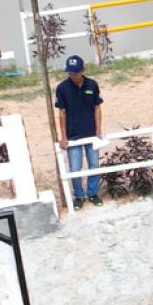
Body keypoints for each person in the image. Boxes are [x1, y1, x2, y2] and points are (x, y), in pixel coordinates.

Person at [53, 55, 104, 211]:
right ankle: (79, 195)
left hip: (90, 133)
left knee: (94, 164)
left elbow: (97, 107)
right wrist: (63, 136)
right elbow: (62, 112)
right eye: (70, 73)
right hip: (73, 135)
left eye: (75, 73)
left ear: (82, 70)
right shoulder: (62, 88)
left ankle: (93, 193)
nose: (72, 76)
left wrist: (98, 129)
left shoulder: (92, 85)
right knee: (75, 168)